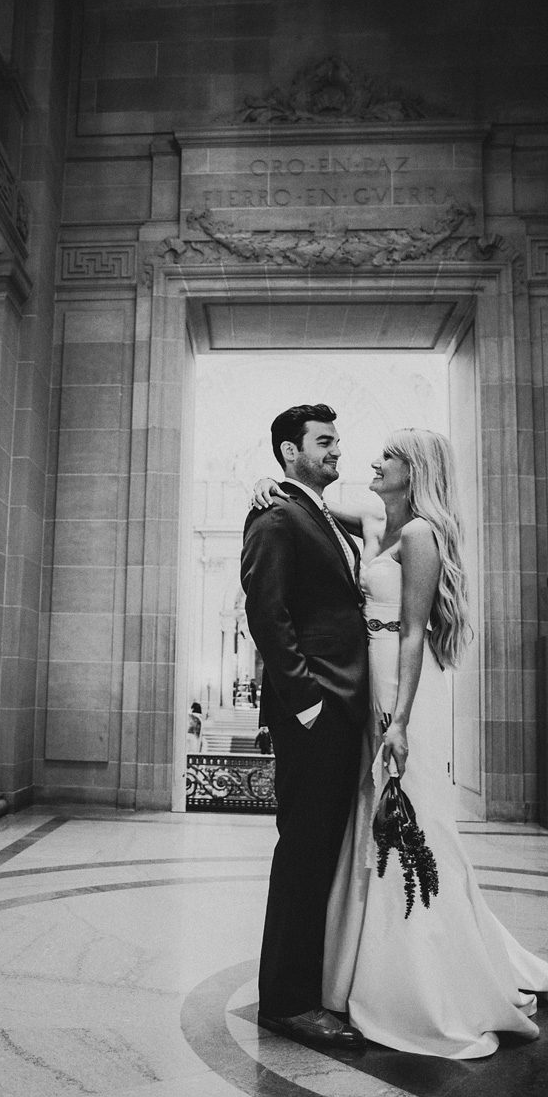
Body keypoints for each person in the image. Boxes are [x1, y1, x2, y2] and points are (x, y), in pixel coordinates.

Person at [252, 429, 548, 1058]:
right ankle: (347, 969)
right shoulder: (377, 518)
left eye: (389, 456)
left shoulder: (422, 535)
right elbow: (313, 507)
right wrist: (268, 485)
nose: (373, 462)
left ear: (415, 470)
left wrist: (397, 720)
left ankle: (418, 975)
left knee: (409, 825)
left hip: (392, 686)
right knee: (360, 822)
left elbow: (411, 634)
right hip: (354, 683)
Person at [240, 404, 370, 1049]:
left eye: (337, 439)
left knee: (324, 850)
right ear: (290, 451)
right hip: (316, 708)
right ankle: (288, 1004)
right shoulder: (276, 516)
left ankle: (314, 981)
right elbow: (267, 614)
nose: (337, 449)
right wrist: (307, 701)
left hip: (344, 705)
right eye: (324, 441)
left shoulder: (316, 513)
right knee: (304, 850)